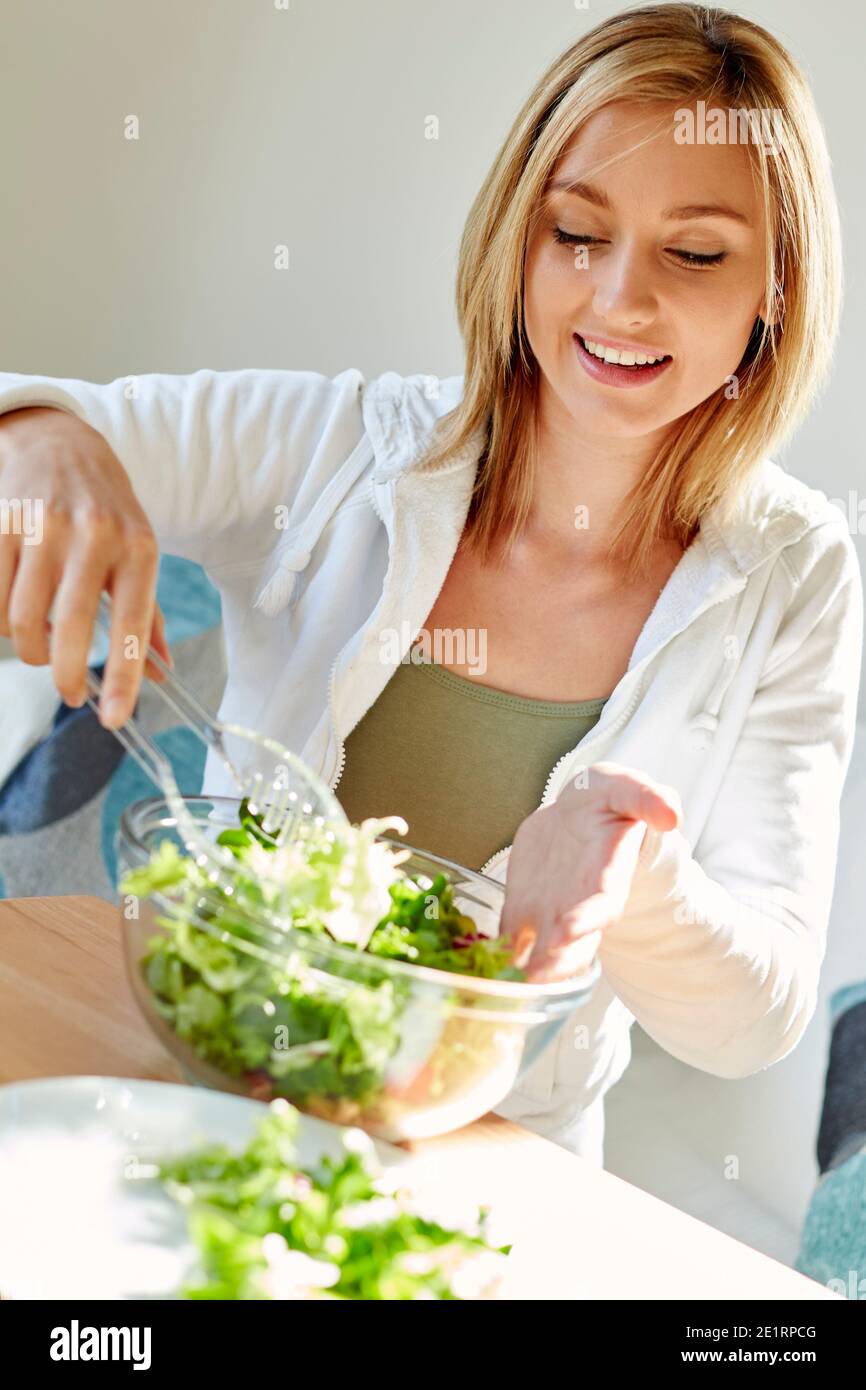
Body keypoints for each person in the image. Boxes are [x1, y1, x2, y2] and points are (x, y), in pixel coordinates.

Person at [0, 4, 861, 1161]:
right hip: (203, 1079)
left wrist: (634, 872)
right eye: (574, 234)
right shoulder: (334, 447)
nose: (618, 299)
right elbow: (51, 433)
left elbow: (757, 1020)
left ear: (776, 287)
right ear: (518, 236)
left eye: (695, 252)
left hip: (492, 1165)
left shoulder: (792, 574)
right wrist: (41, 437)